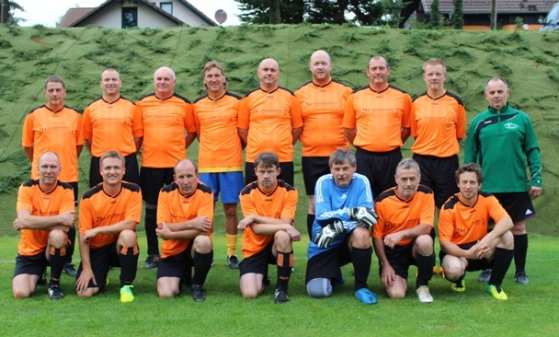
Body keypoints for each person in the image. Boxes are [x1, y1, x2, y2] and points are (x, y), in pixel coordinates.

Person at [464, 77, 542, 285]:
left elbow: (532, 150)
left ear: (508, 93)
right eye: (492, 92)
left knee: (517, 228)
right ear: (486, 95)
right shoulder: (478, 121)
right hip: (487, 188)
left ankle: (520, 272)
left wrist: (537, 179)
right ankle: (489, 268)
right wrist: (469, 183)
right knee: (489, 229)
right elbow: (470, 155)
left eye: (500, 92)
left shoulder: (521, 118)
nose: (496, 96)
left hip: (515, 185)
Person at [22, 75, 83, 277]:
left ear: (64, 92)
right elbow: (27, 147)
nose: (55, 94)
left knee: (68, 220)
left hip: (68, 176)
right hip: (41, 178)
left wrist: (64, 164)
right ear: (45, 93)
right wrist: (44, 168)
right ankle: (38, 261)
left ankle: (65, 261)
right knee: (40, 218)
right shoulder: (34, 115)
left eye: (58, 90)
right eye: (51, 90)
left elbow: (79, 146)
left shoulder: (75, 116)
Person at [137, 66, 197, 270]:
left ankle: (182, 250)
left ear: (174, 82)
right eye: (159, 79)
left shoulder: (184, 104)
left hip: (176, 168)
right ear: (154, 81)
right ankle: (153, 253)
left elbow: (191, 132)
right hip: (150, 165)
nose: (162, 82)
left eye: (166, 79)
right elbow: (137, 133)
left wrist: (177, 149)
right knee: (152, 210)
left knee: (180, 209)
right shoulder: (142, 104)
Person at [306, 149, 378, 304]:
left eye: (345, 168)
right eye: (336, 169)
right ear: (331, 169)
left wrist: (339, 226)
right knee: (319, 292)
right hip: (325, 243)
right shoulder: (323, 182)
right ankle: (334, 274)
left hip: (344, 240)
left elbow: (369, 216)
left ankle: (361, 286)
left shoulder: (362, 181)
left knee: (362, 233)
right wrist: (352, 212)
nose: (341, 173)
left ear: (354, 167)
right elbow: (321, 216)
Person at [295, 50, 352, 240]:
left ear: (330, 65)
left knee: (341, 203)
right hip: (311, 156)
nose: (320, 67)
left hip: (340, 158)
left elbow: (354, 124)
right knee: (314, 203)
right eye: (316, 63)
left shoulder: (345, 92)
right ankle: (316, 249)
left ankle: (340, 248)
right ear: (310, 66)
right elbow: (296, 126)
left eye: (323, 63)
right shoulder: (300, 94)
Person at [193, 61, 244, 269]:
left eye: (217, 75)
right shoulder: (197, 105)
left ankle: (231, 253)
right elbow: (197, 133)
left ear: (224, 79)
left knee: (231, 210)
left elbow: (244, 133)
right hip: (206, 166)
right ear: (204, 81)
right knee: (207, 212)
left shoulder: (237, 102)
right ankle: (208, 251)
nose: (213, 79)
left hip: (231, 164)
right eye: (209, 76)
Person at [439, 163, 514, 300]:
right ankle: (459, 279)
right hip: (457, 253)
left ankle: (495, 285)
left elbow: (507, 221)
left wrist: (488, 239)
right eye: (464, 182)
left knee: (507, 236)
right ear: (458, 183)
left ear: (479, 184)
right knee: (454, 271)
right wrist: (467, 254)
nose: (468, 186)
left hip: (481, 248)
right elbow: (444, 243)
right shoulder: (449, 207)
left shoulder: (487, 199)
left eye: (472, 182)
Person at [75, 150, 142, 302]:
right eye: (108, 168)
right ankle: (101, 277)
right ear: (100, 171)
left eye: (116, 168)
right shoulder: (89, 197)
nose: (112, 172)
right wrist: (86, 269)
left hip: (118, 246)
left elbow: (130, 224)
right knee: (84, 293)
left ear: (124, 170)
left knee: (128, 236)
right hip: (97, 249)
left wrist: (98, 230)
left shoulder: (133, 190)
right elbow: (84, 235)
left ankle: (126, 286)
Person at [342, 55, 412, 199]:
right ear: (368, 72)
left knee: (392, 200)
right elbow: (348, 129)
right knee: (364, 199)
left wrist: (390, 143)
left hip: (392, 157)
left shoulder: (403, 96)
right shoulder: (355, 97)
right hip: (364, 158)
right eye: (374, 69)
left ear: (388, 71)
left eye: (381, 68)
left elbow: (407, 128)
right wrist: (364, 144)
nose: (378, 72)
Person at [238, 152, 300, 304]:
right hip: (254, 248)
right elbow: (257, 230)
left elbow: (285, 222)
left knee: (283, 235)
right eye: (262, 171)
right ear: (255, 172)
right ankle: (262, 277)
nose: (266, 176)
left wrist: (255, 217)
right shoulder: (247, 192)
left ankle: (281, 288)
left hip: (275, 246)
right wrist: (285, 225)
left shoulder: (289, 191)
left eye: (270, 171)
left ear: (278, 171)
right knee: (250, 293)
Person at [12, 151, 75, 300]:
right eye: (45, 166)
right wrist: (59, 219)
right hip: (29, 251)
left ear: (60, 170)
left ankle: (54, 284)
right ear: (37, 169)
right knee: (21, 293)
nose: (48, 171)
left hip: (53, 247)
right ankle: (39, 273)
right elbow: (24, 220)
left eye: (53, 167)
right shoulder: (26, 188)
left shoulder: (66, 190)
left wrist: (28, 222)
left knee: (58, 235)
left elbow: (66, 227)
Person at [372, 158, 436, 303]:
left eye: (412, 179)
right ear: (396, 179)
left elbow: (427, 227)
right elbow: (376, 237)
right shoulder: (382, 201)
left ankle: (422, 286)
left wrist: (402, 233)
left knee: (425, 240)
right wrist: (385, 265)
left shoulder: (426, 193)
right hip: (393, 251)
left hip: (414, 245)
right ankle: (394, 275)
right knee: (397, 294)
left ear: (419, 178)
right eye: (404, 179)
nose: (409, 183)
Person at [238, 58, 303, 187]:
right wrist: (256, 143)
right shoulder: (248, 98)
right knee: (253, 200)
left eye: (273, 70)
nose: (269, 73)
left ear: (278, 74)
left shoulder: (290, 97)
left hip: (283, 158)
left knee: (284, 199)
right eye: (265, 70)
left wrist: (283, 143)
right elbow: (242, 129)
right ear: (258, 73)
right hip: (254, 159)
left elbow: (297, 128)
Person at [155, 159, 214, 301]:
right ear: (175, 179)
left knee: (204, 241)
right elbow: (162, 228)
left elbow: (204, 230)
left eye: (189, 176)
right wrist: (192, 223)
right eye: (181, 177)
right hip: (172, 251)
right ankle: (183, 275)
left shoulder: (206, 192)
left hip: (194, 248)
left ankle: (197, 285)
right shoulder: (165, 192)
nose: (185, 181)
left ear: (197, 176)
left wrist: (171, 233)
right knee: (166, 293)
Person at [411, 58, 466, 209]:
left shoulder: (456, 102)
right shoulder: (416, 102)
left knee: (448, 206)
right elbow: (416, 133)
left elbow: (459, 134)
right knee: (422, 205)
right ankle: (426, 233)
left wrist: (443, 147)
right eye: (430, 74)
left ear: (445, 76)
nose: (434, 77)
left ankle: (446, 234)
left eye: (438, 74)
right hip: (422, 161)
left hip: (447, 163)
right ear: (424, 76)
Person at [83, 68, 142, 187]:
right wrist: (100, 154)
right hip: (99, 161)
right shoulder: (90, 109)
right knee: (98, 199)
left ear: (120, 83)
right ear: (101, 84)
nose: (111, 82)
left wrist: (127, 154)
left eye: (114, 79)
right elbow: (87, 138)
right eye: (107, 80)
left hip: (127, 161)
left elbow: (138, 137)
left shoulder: (132, 107)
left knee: (129, 198)